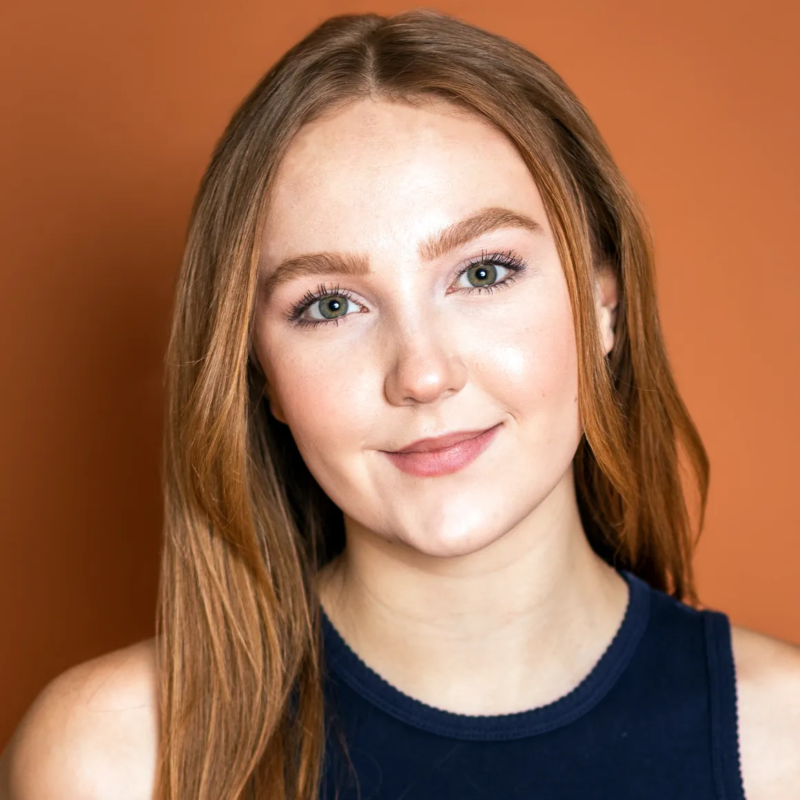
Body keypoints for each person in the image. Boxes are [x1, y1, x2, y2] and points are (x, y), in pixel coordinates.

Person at [1, 8, 799, 800]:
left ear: (603, 306)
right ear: (259, 374)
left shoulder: (784, 743)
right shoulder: (115, 762)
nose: (421, 374)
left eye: (483, 273)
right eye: (330, 305)